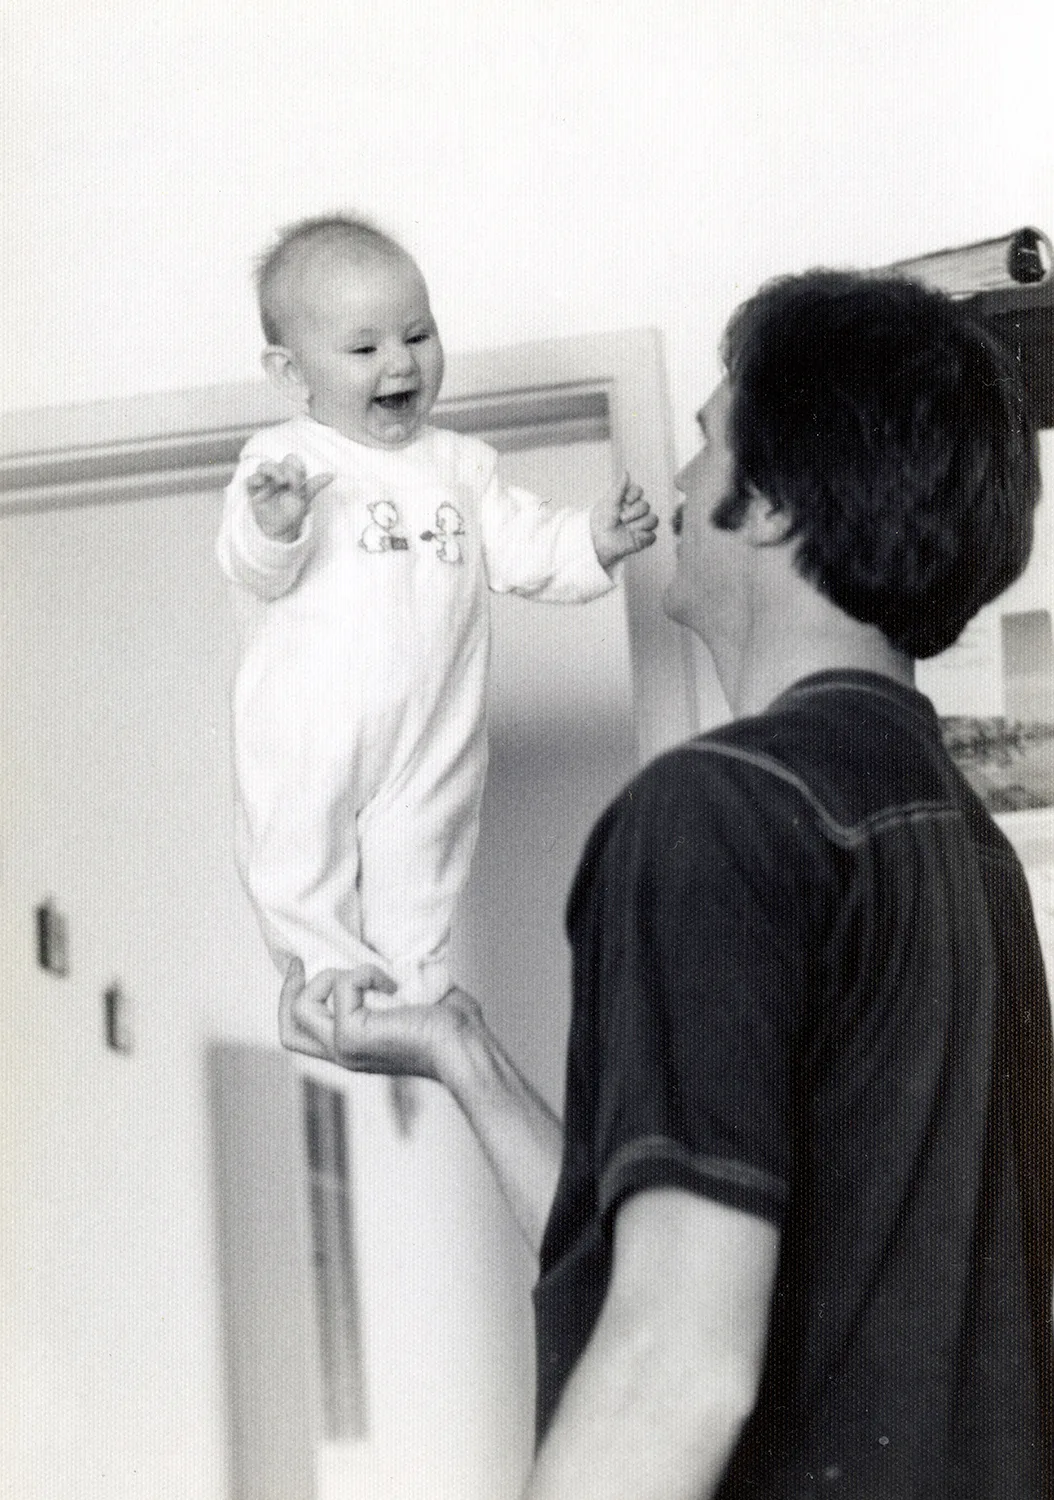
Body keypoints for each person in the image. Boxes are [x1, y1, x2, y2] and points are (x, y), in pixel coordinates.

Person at [278, 269, 1054, 1499]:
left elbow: (671, 1368)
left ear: (774, 503)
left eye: (705, 443)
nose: (684, 483)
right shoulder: (965, 844)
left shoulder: (721, 815)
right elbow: (665, 1276)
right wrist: (462, 1053)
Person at [217, 215, 657, 1008]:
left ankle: (411, 985)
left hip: (433, 727)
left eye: (418, 335)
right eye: (365, 348)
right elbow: (252, 567)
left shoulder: (462, 465)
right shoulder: (286, 460)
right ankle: (323, 967)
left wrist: (593, 538)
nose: (400, 362)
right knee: (297, 838)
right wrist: (273, 526)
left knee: (424, 851)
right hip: (314, 721)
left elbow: (525, 548)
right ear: (290, 374)